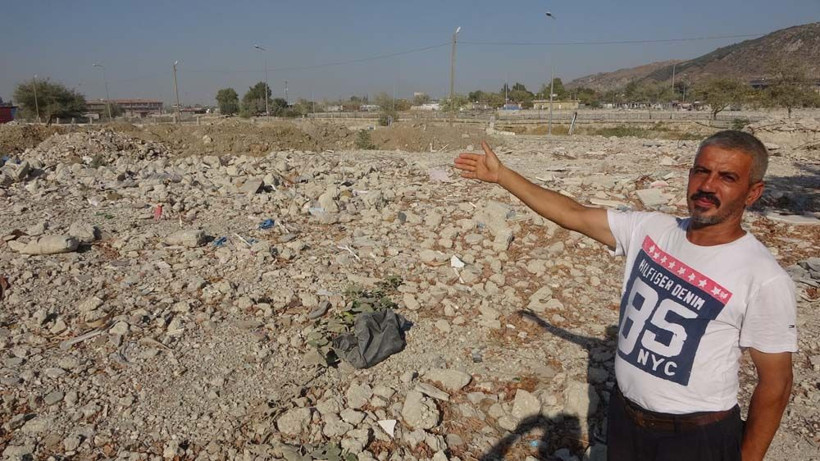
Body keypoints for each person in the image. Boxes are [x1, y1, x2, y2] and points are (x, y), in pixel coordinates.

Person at [453, 131, 796, 461]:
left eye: (727, 177)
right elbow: (573, 214)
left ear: (753, 193)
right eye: (701, 171)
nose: (707, 186)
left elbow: (775, 384)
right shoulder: (653, 229)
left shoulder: (763, 277)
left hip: (696, 436)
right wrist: (502, 176)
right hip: (626, 420)